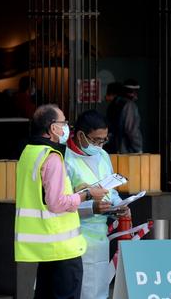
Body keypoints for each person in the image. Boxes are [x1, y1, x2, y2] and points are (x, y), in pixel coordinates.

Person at [14, 104, 107, 299]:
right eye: (64, 122)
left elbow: (42, 194)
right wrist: (87, 194)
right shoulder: (52, 157)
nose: (67, 127)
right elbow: (56, 203)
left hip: (44, 246)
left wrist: (74, 190)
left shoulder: (29, 152)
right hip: (62, 247)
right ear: (53, 127)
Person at [65, 110, 128, 299]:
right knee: (81, 290)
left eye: (103, 140)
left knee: (99, 291)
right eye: (95, 140)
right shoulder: (65, 160)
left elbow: (111, 189)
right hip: (75, 236)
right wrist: (92, 208)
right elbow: (61, 203)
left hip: (101, 236)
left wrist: (119, 205)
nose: (99, 145)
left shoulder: (103, 156)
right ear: (80, 135)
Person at [106, 78, 143, 153]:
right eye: (134, 91)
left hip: (113, 149)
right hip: (127, 151)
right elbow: (131, 130)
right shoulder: (129, 105)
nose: (136, 94)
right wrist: (138, 148)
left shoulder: (114, 104)